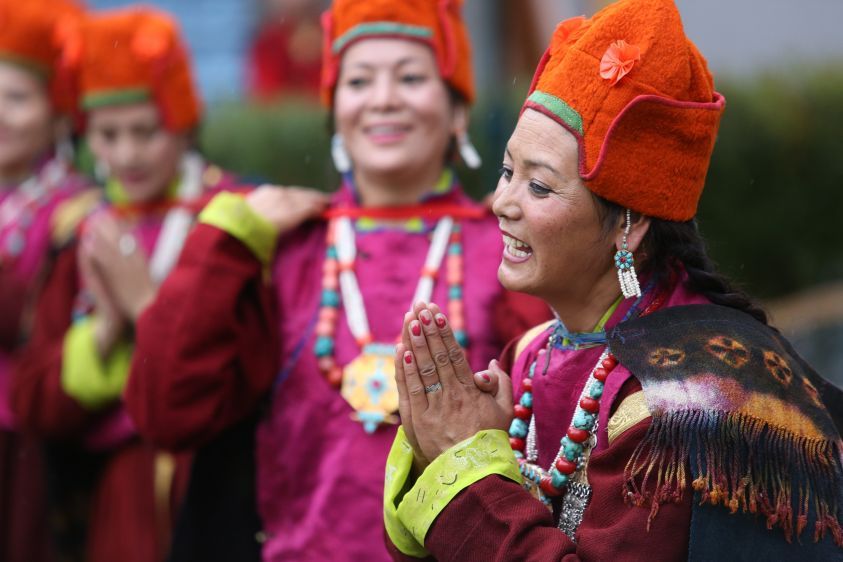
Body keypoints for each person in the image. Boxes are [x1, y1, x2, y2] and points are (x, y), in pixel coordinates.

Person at [384, 0, 843, 560]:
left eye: (539, 186)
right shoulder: (531, 356)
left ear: (630, 224)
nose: (501, 202)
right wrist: (440, 446)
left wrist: (465, 469)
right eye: (507, 171)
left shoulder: (690, 401)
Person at [125, 0, 550, 560]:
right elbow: (165, 412)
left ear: (457, 111)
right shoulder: (288, 251)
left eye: (411, 77)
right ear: (335, 112)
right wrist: (226, 242)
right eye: (358, 81)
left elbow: (549, 425)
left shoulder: (502, 249)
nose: (383, 98)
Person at [10, 7, 240, 562]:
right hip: (116, 497)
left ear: (183, 122)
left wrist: (145, 305)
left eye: (146, 131)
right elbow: (31, 397)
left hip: (213, 482)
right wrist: (104, 331)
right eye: (108, 135)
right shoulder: (83, 230)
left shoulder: (227, 220)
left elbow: (242, 373)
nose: (127, 155)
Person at [0, 2, 91, 561]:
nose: (0, 115)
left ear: (58, 115)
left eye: (16, 99)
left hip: (23, 438)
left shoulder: (74, 210)